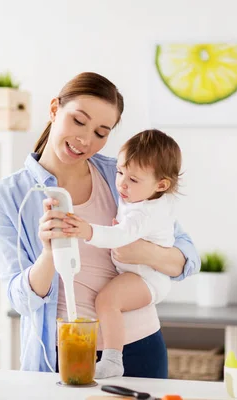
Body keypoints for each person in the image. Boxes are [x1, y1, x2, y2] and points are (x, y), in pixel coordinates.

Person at [0, 72, 200, 379]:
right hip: (61, 352)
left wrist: (141, 251)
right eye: (78, 121)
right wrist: (49, 255)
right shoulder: (8, 196)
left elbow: (188, 258)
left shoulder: (123, 176)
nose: (86, 140)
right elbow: (21, 301)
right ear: (55, 109)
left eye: (101, 132)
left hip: (138, 346)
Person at [63, 129, 183, 378]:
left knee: (107, 302)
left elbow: (121, 236)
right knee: (108, 302)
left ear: (161, 185)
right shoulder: (143, 195)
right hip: (140, 275)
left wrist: (86, 230)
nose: (122, 184)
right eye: (119, 172)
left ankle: (113, 359)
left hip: (147, 279)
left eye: (133, 180)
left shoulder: (147, 212)